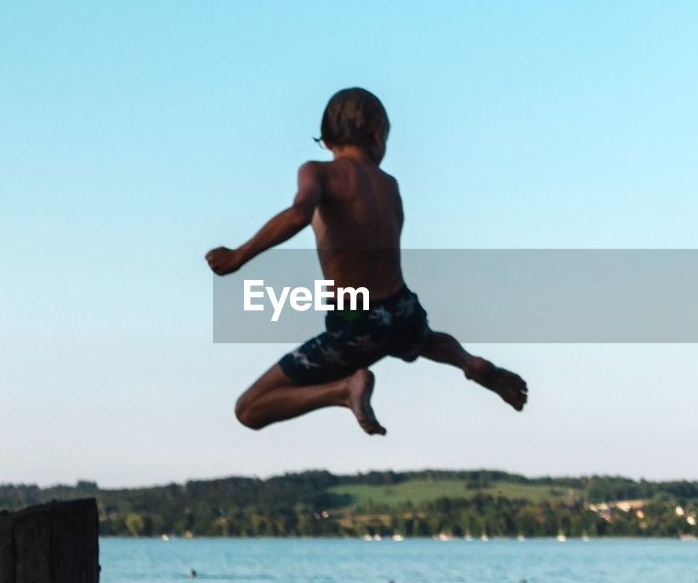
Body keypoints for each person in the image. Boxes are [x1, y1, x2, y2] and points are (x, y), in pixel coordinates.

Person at [206, 87, 527, 435]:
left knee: (250, 409)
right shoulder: (389, 185)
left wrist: (239, 256)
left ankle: (342, 391)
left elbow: (299, 214)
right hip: (402, 308)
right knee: (422, 338)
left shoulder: (318, 172)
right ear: (376, 136)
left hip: (357, 318)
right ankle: (468, 361)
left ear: (327, 140)